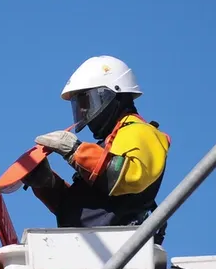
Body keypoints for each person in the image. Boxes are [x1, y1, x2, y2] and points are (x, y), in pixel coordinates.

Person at [22, 55, 171, 234]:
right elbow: (87, 210)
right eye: (79, 105)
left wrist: (76, 151)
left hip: (119, 248)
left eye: (86, 102)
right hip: (91, 247)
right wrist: (49, 184)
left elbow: (129, 177)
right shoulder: (111, 142)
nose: (83, 111)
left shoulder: (140, 131)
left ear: (112, 94)